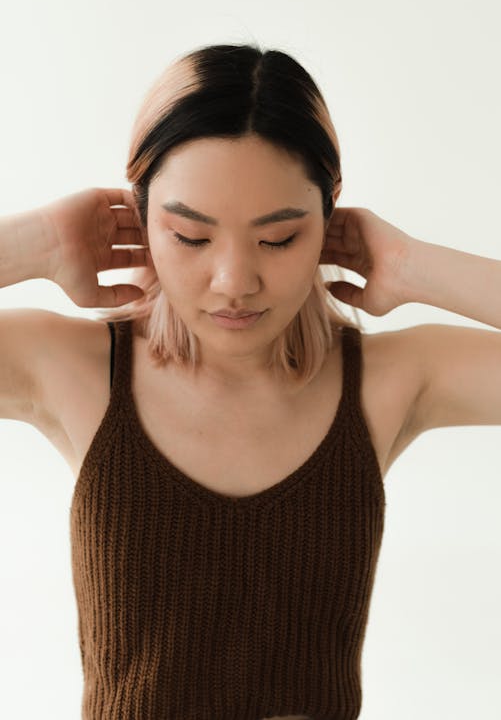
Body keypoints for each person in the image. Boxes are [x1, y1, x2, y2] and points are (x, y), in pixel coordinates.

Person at [0, 43, 500, 720]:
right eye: (190, 235)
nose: (234, 281)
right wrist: (38, 244)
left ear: (329, 221)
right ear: (140, 216)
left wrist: (414, 266)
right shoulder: (74, 369)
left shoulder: (386, 381)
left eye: (278, 238)